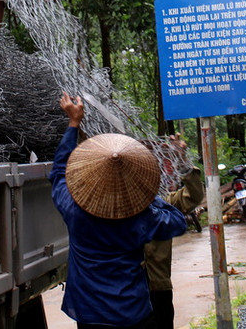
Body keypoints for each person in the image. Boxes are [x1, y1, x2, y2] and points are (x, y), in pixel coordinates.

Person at [50, 93, 186, 328]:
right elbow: (178, 222)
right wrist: (143, 192)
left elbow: (59, 172)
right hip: (133, 313)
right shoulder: (142, 219)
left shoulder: (74, 212)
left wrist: (74, 123)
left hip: (89, 314)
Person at [143, 136, 204, 329]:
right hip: (127, 290)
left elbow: (194, 196)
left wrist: (182, 159)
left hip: (158, 288)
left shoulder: (163, 203)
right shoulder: (110, 205)